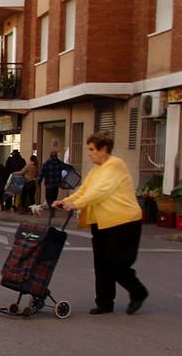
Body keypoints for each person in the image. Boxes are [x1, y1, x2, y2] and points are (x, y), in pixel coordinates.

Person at [55, 132, 149, 314]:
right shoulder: (96, 169)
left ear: (104, 149)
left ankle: (138, 292)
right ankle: (104, 302)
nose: (89, 153)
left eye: (92, 149)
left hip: (124, 221)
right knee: (101, 263)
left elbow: (100, 192)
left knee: (115, 262)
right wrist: (65, 201)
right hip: (101, 222)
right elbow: (84, 190)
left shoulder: (115, 166)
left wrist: (75, 204)